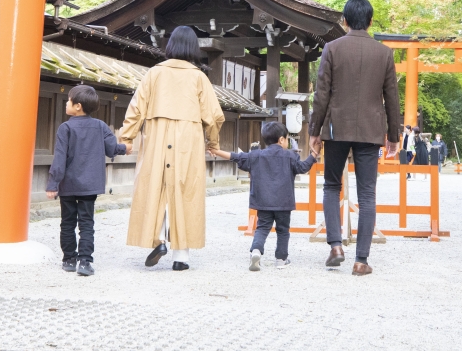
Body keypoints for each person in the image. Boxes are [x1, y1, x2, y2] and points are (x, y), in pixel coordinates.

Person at [118, 26, 225, 271]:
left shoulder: (154, 73)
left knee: (156, 186)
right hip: (188, 136)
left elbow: (135, 109)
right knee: (184, 189)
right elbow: (214, 116)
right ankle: (182, 256)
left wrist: (127, 138)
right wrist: (213, 142)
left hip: (157, 133)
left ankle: (158, 238)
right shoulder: (199, 76)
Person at [309, 0, 402, 277]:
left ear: (344, 21)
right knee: (367, 194)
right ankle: (361, 260)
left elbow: (322, 94)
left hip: (337, 128)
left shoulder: (332, 48)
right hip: (371, 130)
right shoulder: (384, 53)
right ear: (370, 21)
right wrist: (394, 136)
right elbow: (392, 98)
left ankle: (336, 246)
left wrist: (314, 131)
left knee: (330, 186)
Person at [210, 121, 316, 271]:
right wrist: (313, 155)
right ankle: (281, 259)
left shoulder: (256, 155)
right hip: (283, 202)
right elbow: (303, 167)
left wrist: (216, 151)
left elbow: (235, 157)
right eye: (286, 139)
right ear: (281, 140)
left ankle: (256, 251)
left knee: (262, 228)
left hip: (263, 201)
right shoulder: (291, 156)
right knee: (283, 230)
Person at [46, 85, 126, 277]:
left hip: (68, 184)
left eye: (69, 100)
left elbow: (59, 158)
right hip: (90, 185)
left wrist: (53, 184)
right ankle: (85, 262)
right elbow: (112, 148)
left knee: (67, 222)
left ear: (78, 106)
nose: (67, 102)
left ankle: (68, 259)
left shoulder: (65, 128)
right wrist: (124, 148)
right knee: (86, 223)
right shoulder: (100, 126)